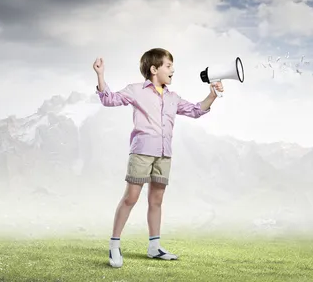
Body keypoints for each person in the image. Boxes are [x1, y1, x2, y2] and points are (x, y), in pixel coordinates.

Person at [92, 48, 223, 268]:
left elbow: (195, 110)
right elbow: (109, 100)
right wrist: (100, 75)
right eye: (168, 66)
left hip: (164, 154)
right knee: (131, 198)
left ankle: (155, 247)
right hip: (142, 151)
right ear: (154, 69)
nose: (173, 70)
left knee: (157, 200)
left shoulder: (173, 98)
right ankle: (114, 244)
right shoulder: (136, 90)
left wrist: (212, 95)